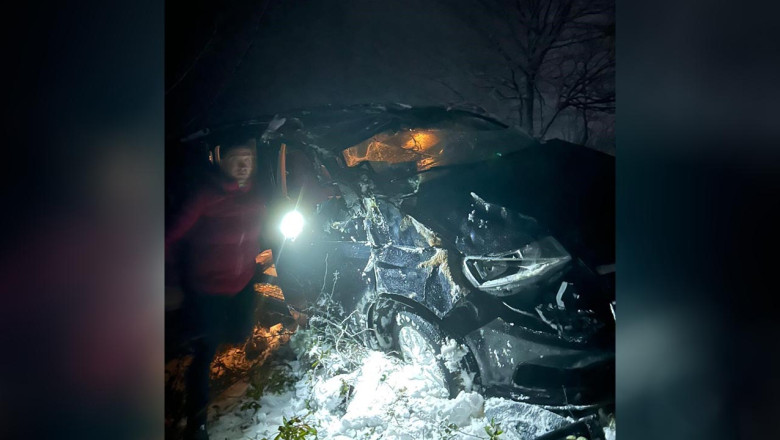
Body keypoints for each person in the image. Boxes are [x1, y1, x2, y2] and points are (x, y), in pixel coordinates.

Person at [166, 135, 268, 440]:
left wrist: (262, 251)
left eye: (247, 160)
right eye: (236, 159)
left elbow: (255, 233)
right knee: (205, 352)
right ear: (221, 162)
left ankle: (194, 331)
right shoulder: (204, 196)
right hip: (207, 289)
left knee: (239, 333)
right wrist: (171, 280)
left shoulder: (256, 198)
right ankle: (196, 423)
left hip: (241, 283)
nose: (242, 166)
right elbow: (169, 237)